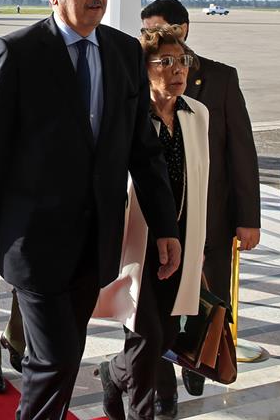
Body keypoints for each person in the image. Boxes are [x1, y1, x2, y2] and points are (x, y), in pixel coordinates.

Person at [0, 0, 180, 420]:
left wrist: (166, 225)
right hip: (33, 243)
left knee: (61, 356)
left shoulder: (124, 53)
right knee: (54, 360)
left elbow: (142, 150)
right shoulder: (18, 52)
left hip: (95, 243)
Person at [139, 0, 260, 398]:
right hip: (157, 225)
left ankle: (198, 364)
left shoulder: (221, 80)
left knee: (209, 302)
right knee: (155, 314)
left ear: (182, 30)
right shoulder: (138, 85)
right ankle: (161, 389)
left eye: (159, 29)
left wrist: (249, 217)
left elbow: (241, 151)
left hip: (210, 221)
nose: (152, 39)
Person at [95, 26, 210, 420]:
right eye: (165, 62)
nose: (178, 70)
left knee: (162, 335)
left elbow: (200, 181)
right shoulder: (129, 114)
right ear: (143, 69)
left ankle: (113, 372)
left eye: (182, 61)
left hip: (179, 241)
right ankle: (141, 411)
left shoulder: (197, 114)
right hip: (138, 242)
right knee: (146, 334)